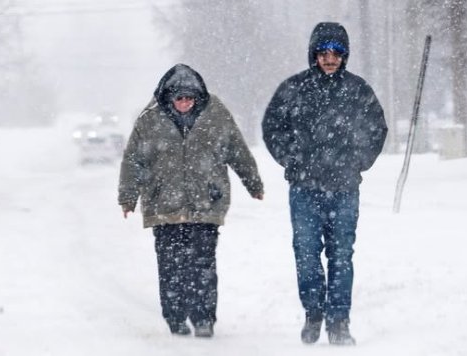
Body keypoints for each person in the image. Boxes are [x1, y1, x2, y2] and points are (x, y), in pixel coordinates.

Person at [261, 22, 387, 346]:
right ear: (314, 55)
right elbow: (272, 126)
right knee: (305, 253)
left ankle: (339, 321)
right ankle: (314, 312)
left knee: (342, 255)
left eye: (336, 53)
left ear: (344, 56)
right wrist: (292, 158)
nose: (330, 59)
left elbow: (377, 128)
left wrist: (358, 161)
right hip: (304, 189)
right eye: (324, 53)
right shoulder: (294, 89)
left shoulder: (358, 91)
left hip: (344, 188)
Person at [118, 63, 264, 338]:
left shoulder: (216, 115)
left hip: (205, 205)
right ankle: (175, 317)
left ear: (198, 97)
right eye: (179, 98)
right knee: (171, 265)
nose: (185, 103)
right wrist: (128, 197)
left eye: (190, 98)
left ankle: (203, 318)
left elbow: (237, 150)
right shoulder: (149, 120)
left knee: (202, 263)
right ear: (168, 97)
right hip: (164, 207)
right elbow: (133, 161)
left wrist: (253, 182)